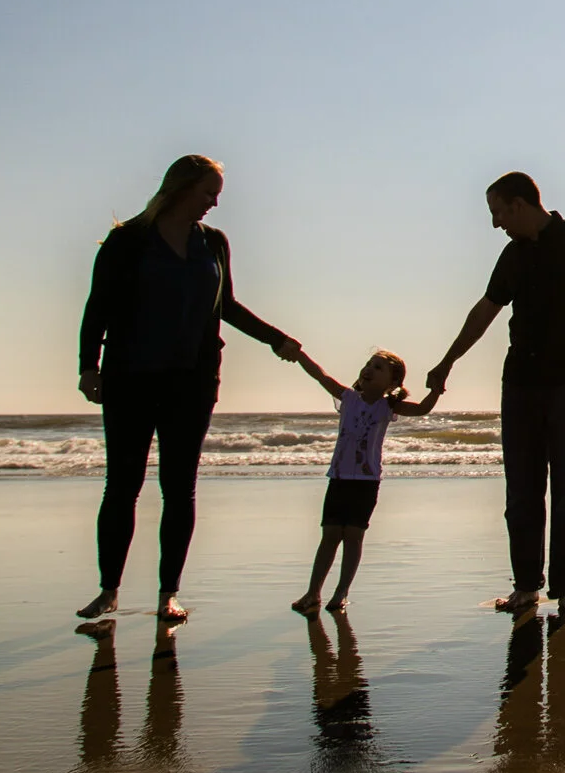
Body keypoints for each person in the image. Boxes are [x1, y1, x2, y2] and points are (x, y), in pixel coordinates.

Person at [76, 155, 303, 623]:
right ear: (180, 188)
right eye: (207, 193)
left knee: (179, 489)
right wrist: (88, 367)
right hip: (130, 375)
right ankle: (109, 590)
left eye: (216, 195)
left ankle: (168, 595)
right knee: (122, 486)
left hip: (193, 379)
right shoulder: (128, 241)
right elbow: (98, 306)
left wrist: (276, 339)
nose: (213, 204)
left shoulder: (214, 244)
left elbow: (228, 307)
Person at [425, 172, 565, 617]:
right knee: (522, 493)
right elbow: (485, 311)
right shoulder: (512, 255)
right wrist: (448, 360)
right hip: (521, 387)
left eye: (498, 212)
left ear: (520, 205)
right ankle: (526, 587)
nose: (495, 224)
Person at [291, 348, 443, 614]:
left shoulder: (388, 406)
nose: (369, 369)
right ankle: (313, 591)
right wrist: (299, 354)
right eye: (369, 364)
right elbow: (320, 375)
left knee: (353, 536)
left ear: (393, 383)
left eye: (378, 368)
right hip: (338, 478)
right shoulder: (348, 397)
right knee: (329, 535)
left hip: (366, 481)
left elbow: (422, 409)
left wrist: (436, 389)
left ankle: (341, 591)